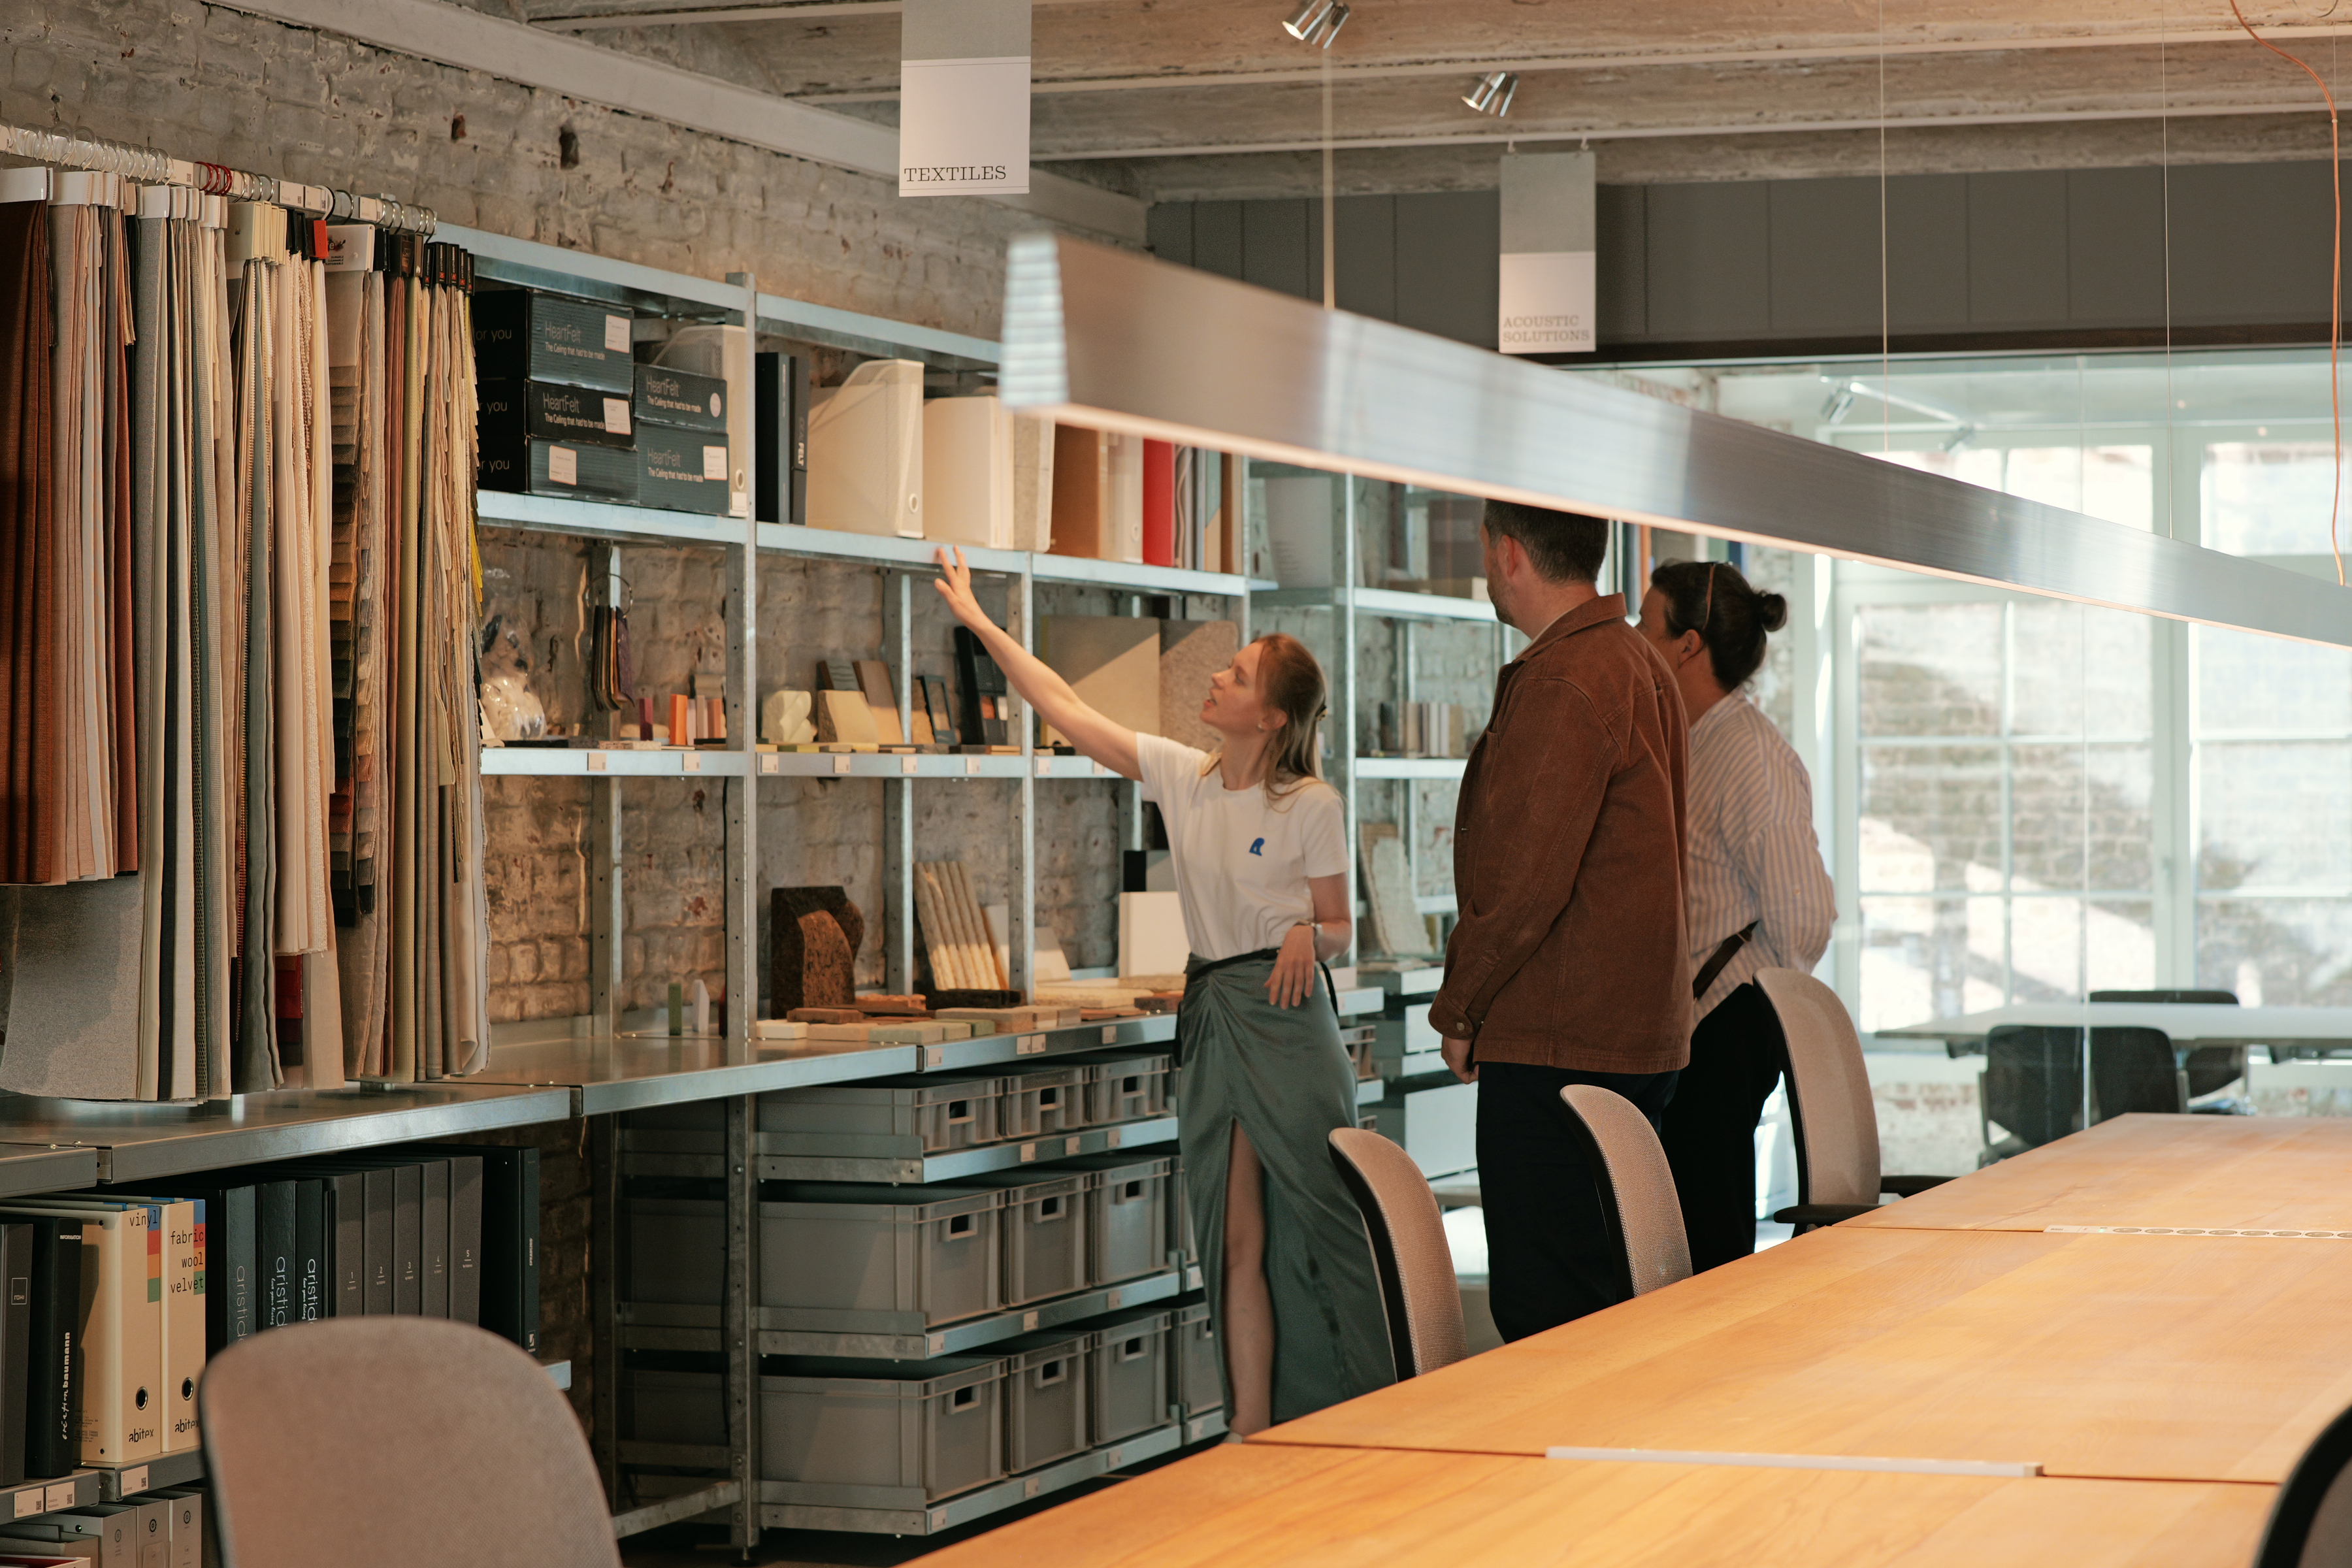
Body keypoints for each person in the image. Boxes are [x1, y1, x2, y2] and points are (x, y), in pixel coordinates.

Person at [931, 547, 1393, 1433]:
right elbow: (1065, 709)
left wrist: (1308, 933)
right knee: (1233, 1237)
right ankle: (1251, 1436)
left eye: (1238, 672)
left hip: (1290, 1022)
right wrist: (983, 624)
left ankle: (1368, 1418)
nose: (1217, 676)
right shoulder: (1185, 777)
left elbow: (1340, 928)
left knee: (1327, 1230)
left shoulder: (1312, 806)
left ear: (1271, 714)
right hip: (1216, 1018)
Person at [1434, 502, 1693, 1343]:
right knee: (1610, 1305)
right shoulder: (1638, 662)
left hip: (1557, 1038)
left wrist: (1463, 1007)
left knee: (1551, 1318)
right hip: (1633, 1032)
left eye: (1483, 548)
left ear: (1509, 553)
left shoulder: (1563, 679)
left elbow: (1523, 881)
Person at [1637, 560, 1836, 1273]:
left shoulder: (1752, 753)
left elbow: (1804, 913)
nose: (1635, 639)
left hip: (1729, 1018)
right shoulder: (1690, 738)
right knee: (1682, 1231)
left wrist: (1757, 997)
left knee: (1711, 1238)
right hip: (1695, 1020)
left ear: (1687, 646)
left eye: (1646, 625)